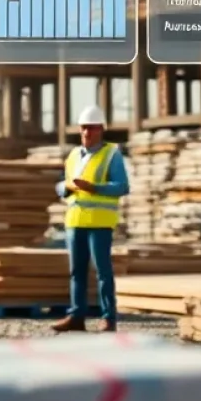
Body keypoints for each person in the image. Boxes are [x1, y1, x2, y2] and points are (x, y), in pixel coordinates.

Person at [51, 105, 130, 334]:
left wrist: (94, 188)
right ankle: (76, 316)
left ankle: (109, 319)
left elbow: (122, 187)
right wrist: (64, 188)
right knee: (77, 272)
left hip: (99, 223)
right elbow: (59, 183)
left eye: (92, 128)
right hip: (75, 222)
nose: (87, 133)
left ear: (101, 129)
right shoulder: (74, 155)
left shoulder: (111, 154)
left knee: (103, 272)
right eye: (84, 128)